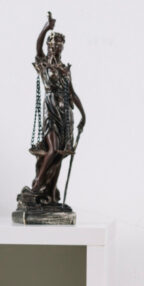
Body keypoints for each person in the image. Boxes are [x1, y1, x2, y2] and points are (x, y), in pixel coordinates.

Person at [29, 12, 86, 206]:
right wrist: (47, 27)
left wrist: (83, 114)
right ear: (49, 46)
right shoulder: (44, 64)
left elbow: (72, 93)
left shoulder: (64, 69)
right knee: (52, 149)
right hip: (51, 109)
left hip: (66, 114)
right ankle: (37, 185)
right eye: (52, 45)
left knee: (60, 152)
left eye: (59, 45)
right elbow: (37, 48)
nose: (55, 48)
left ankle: (51, 193)